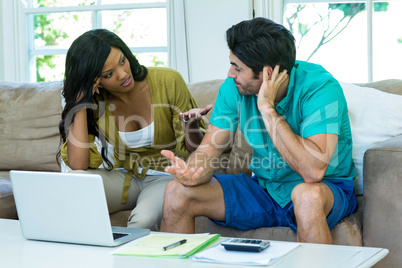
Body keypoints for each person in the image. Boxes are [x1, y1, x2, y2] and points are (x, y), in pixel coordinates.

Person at [160, 17, 357, 244]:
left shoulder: (320, 87)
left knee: (306, 196)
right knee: (177, 192)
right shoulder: (233, 88)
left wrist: (267, 108)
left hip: (324, 190)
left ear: (268, 73)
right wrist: (193, 172)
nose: (229, 74)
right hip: (266, 189)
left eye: (237, 68)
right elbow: (209, 150)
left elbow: (313, 172)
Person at [57, 29, 211, 231]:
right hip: (125, 177)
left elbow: (197, 151)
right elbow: (78, 165)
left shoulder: (169, 81)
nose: (122, 75)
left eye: (122, 61)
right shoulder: (96, 100)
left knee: (142, 221)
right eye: (109, 74)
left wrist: (190, 125)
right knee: (73, 186)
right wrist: (80, 102)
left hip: (164, 177)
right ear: (96, 81)